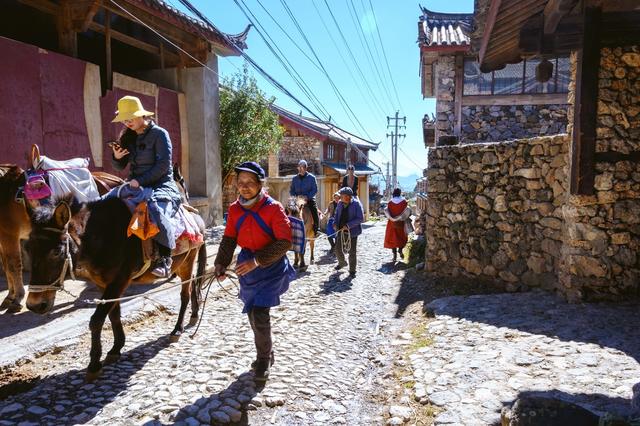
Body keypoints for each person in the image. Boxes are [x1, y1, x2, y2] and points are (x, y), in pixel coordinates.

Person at [214, 161, 295, 382]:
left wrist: (257, 261)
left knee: (260, 314)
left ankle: (262, 360)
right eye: (241, 183)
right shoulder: (234, 210)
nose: (245, 187)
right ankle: (267, 350)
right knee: (252, 313)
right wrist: (220, 263)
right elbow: (229, 238)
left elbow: (284, 243)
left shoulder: (273, 208)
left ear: (260, 184)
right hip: (247, 270)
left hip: (271, 267)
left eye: (250, 182)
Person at [110, 95, 182, 277]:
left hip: (161, 185)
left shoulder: (160, 134)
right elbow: (120, 166)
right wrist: (117, 158)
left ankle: (165, 258)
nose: (127, 122)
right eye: (124, 119)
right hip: (135, 185)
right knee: (104, 203)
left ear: (142, 115)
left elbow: (164, 166)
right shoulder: (127, 137)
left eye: (130, 117)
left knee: (154, 209)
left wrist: (139, 181)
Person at [333, 187, 364, 277]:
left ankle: (352, 270)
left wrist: (348, 226)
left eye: (341, 196)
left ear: (347, 197)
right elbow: (336, 215)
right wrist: (335, 223)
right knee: (338, 249)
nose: (340, 197)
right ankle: (342, 263)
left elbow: (360, 218)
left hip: (352, 232)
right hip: (340, 230)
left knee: (352, 251)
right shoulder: (339, 204)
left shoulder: (357, 204)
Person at [289, 160, 320, 236]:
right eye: (299, 167)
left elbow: (315, 189)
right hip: (297, 200)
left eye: (302, 167)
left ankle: (316, 228)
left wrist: (307, 197)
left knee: (314, 211)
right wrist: (296, 197)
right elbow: (291, 190)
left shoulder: (312, 178)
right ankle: (287, 227)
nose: (300, 169)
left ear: (306, 168)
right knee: (288, 209)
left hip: (309, 199)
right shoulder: (294, 179)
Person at [384, 188, 412, 261]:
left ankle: (394, 255)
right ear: (400, 193)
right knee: (402, 238)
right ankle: (400, 250)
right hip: (401, 223)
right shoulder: (404, 202)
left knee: (393, 238)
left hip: (392, 224)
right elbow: (408, 212)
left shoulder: (390, 203)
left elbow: (388, 212)